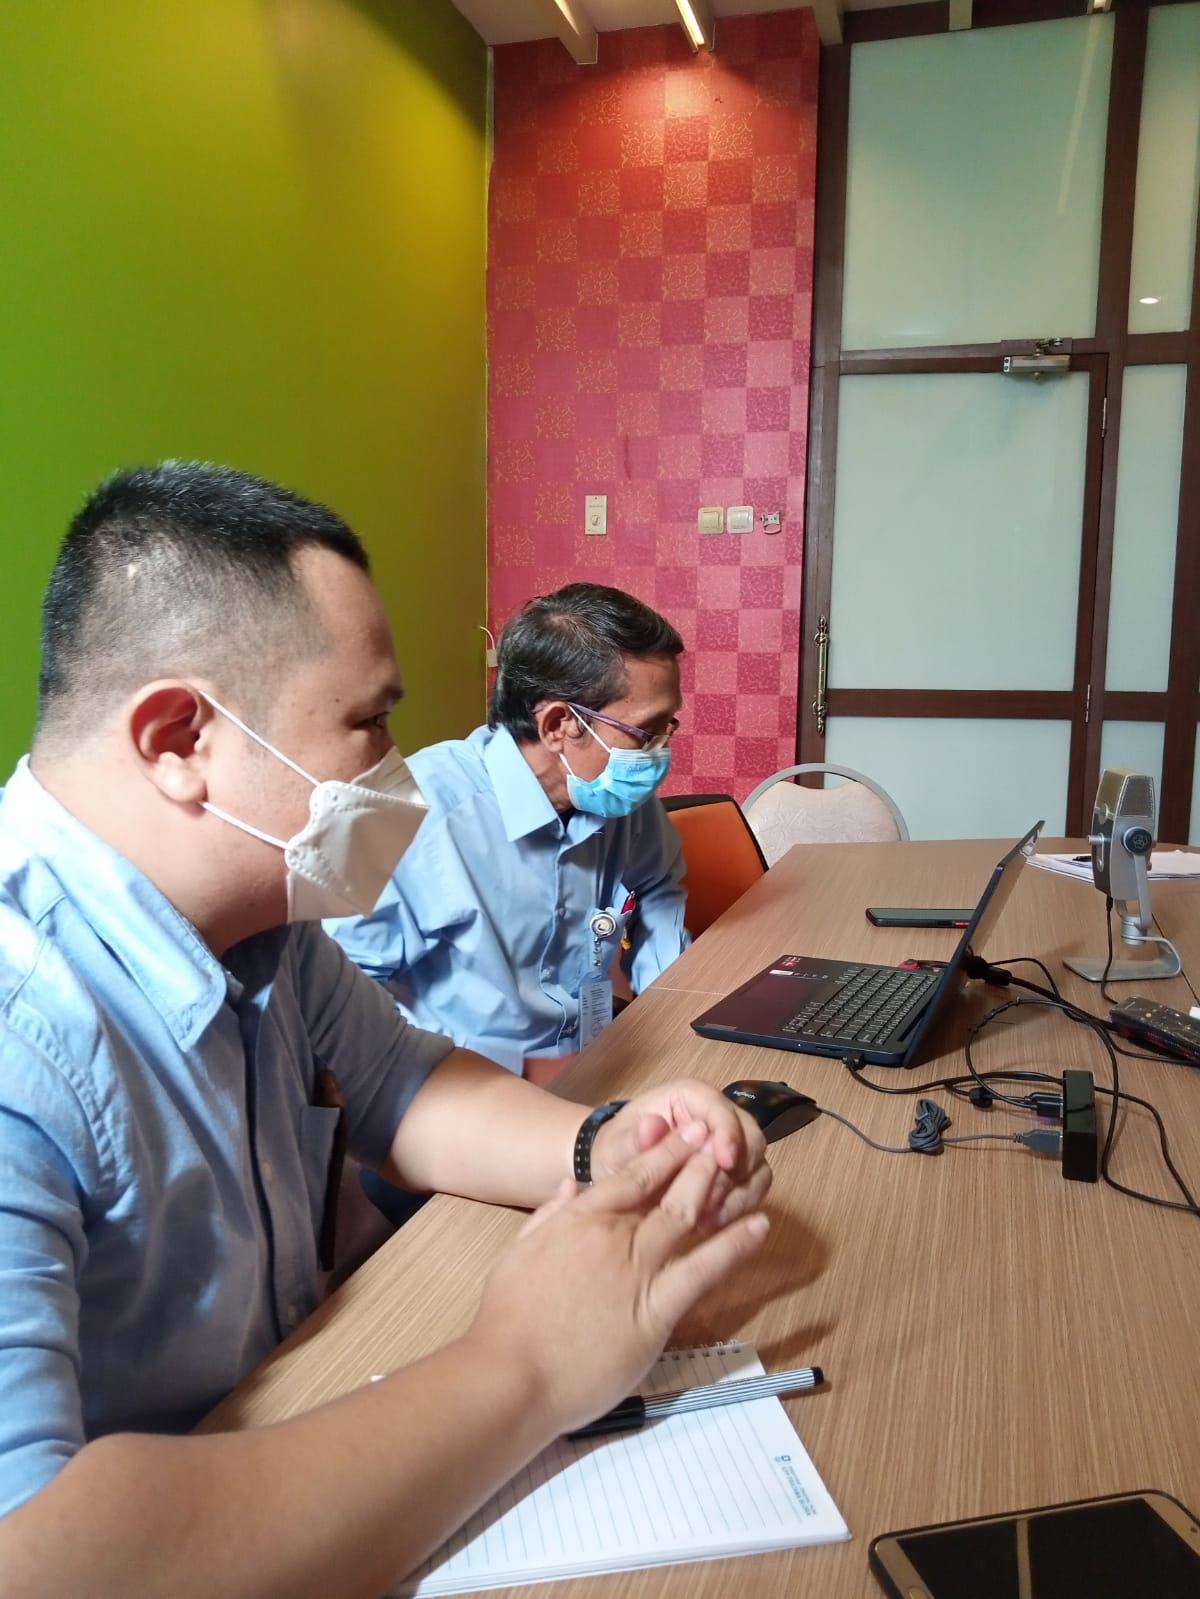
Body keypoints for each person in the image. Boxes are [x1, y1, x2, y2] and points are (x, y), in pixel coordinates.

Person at [0, 461, 771, 1598]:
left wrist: (610, 1144)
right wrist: (528, 1366)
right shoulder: (23, 1027)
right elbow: (37, 1558)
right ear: (179, 739)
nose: (396, 772)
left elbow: (404, 1087)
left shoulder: (263, 924)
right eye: (367, 723)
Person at [326, 582, 690, 1082]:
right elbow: (339, 1002)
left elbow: (658, 889)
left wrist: (670, 1013)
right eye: (646, 732)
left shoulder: (621, 802)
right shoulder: (403, 814)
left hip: (597, 1061)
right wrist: (512, 1072)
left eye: (669, 728)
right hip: (461, 1091)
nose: (660, 752)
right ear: (558, 724)